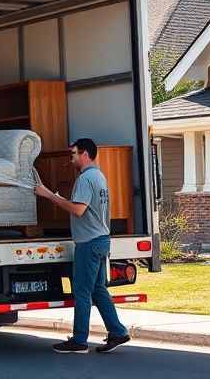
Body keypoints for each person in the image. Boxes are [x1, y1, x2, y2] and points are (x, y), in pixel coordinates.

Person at [35, 138, 130, 354]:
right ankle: (117, 332)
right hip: (101, 239)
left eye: (74, 154)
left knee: (82, 291)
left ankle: (79, 341)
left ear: (85, 154)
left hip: (89, 243)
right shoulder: (100, 176)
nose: (72, 158)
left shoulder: (86, 179)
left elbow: (78, 209)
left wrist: (49, 195)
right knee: (97, 289)